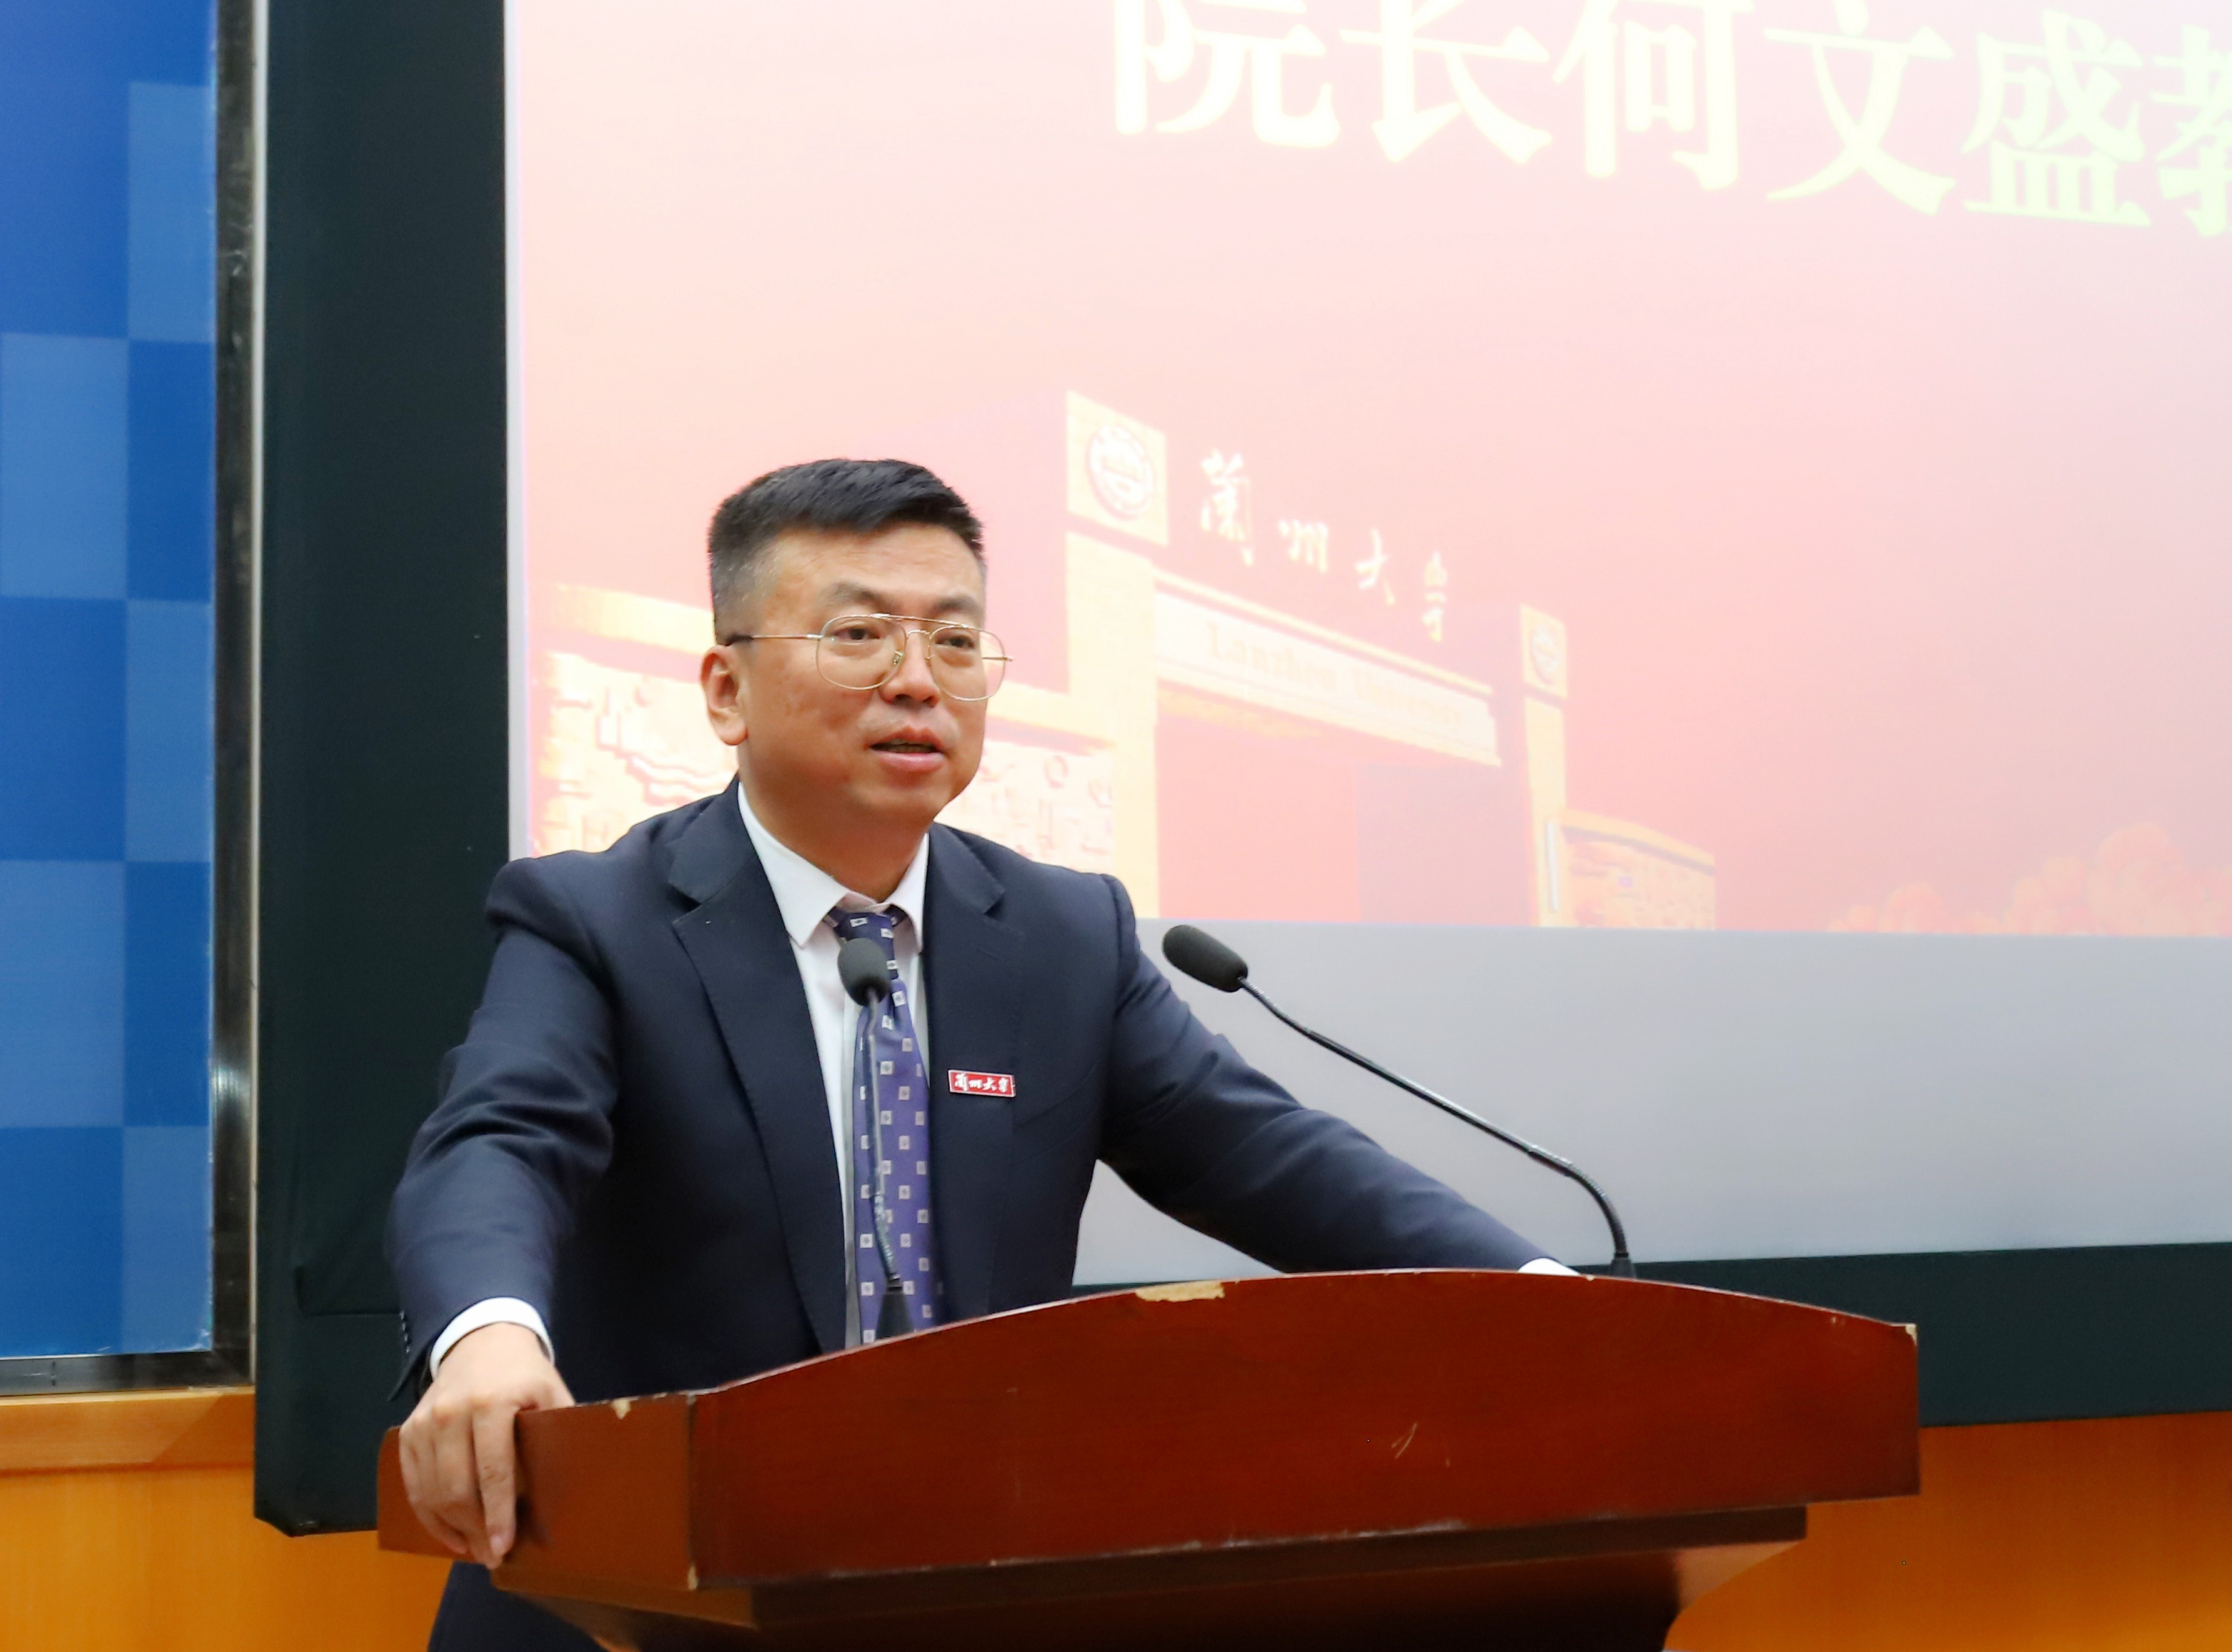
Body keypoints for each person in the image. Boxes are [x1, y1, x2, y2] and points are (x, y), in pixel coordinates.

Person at [388, 459, 1562, 1650]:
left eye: (955, 642)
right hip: (639, 1594)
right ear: (726, 690)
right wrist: (489, 1334)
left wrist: (1542, 1303)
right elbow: (500, 1140)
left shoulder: (1062, 933)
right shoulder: (598, 918)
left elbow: (1264, 1154)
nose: (916, 680)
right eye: (858, 634)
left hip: (959, 1586)